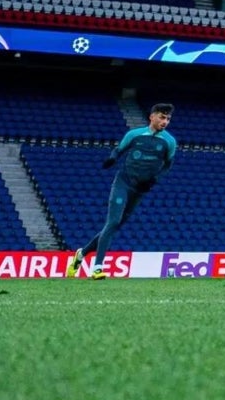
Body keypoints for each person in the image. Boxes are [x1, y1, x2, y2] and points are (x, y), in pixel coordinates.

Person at [69, 103, 178, 278]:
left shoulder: (169, 141)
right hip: (123, 183)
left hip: (140, 189)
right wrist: (112, 158)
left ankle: (81, 254)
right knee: (112, 222)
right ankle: (97, 268)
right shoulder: (134, 135)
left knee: (114, 226)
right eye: (162, 117)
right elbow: (119, 150)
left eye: (168, 119)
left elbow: (168, 164)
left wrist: (154, 180)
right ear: (152, 117)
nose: (165, 121)